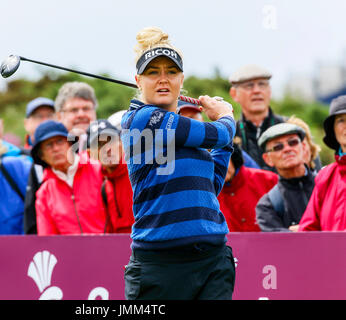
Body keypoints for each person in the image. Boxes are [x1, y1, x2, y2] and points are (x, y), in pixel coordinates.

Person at [122, 27, 236, 300]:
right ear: (138, 80)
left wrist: (227, 139)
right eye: (153, 72)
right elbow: (219, 133)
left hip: (212, 260)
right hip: (159, 266)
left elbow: (212, 185)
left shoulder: (186, 135)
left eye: (171, 72)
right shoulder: (141, 120)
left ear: (181, 78)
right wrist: (226, 116)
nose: (163, 79)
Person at [33, 120, 109, 235]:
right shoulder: (44, 193)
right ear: (41, 155)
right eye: (49, 145)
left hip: (112, 248)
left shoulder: (99, 170)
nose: (55, 148)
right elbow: (47, 239)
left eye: (59, 141)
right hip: (69, 253)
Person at [255, 123, 316, 232]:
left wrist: (301, 229)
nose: (287, 149)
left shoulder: (329, 185)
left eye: (293, 142)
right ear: (267, 159)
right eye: (278, 147)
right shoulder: (267, 206)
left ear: (304, 147)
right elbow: (281, 245)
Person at [298, 95, 346, 231]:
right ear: (333, 129)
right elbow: (308, 228)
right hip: (329, 252)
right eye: (341, 120)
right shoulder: (325, 175)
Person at [229, 64, 286, 171]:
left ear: (270, 91)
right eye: (249, 86)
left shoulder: (291, 128)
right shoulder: (229, 134)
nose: (256, 91)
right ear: (234, 94)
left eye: (262, 84)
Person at [218, 138, 278, 232]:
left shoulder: (269, 180)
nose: (218, 168)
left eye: (223, 160)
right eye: (211, 163)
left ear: (234, 158)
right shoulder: (208, 194)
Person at [86, 119, 134, 233]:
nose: (107, 149)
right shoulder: (104, 186)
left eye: (111, 141)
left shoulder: (140, 173)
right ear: (89, 153)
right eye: (99, 145)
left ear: (122, 143)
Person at [22, 97, 56, 234]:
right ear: (26, 123)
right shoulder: (19, 157)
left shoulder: (71, 152)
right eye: (38, 116)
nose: (45, 120)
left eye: (49, 115)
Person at [54, 81, 98, 152]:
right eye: (74, 110)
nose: (81, 114)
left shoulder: (111, 143)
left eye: (86, 108)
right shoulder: (54, 149)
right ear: (59, 116)